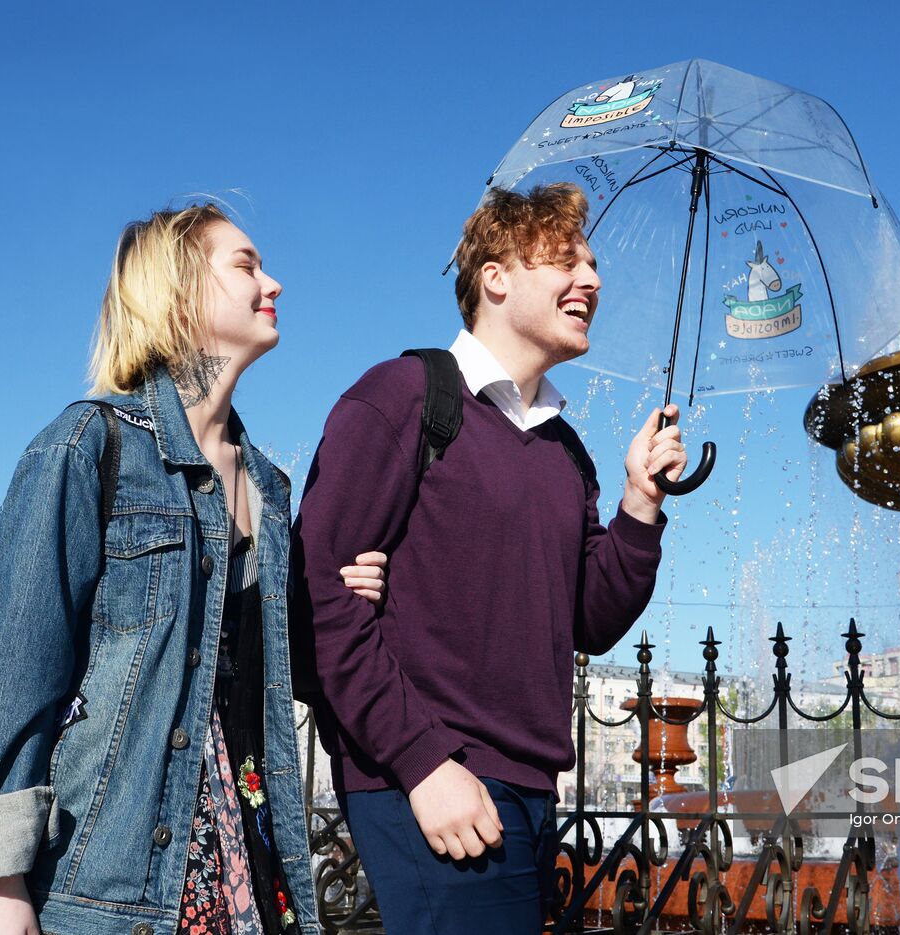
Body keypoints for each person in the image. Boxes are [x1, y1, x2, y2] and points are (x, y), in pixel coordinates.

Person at [290, 182, 687, 933]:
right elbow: (323, 595)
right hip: (437, 777)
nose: (593, 281)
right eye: (567, 261)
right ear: (494, 277)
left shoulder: (566, 451)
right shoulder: (405, 396)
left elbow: (589, 619)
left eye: (594, 265)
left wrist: (641, 502)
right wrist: (423, 763)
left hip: (529, 789)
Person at [0, 204, 389, 935]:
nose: (275, 282)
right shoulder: (85, 446)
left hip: (247, 867)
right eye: (246, 264)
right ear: (177, 291)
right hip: (113, 879)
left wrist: (323, 601)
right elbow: (17, 680)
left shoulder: (268, 486)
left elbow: (248, 672)